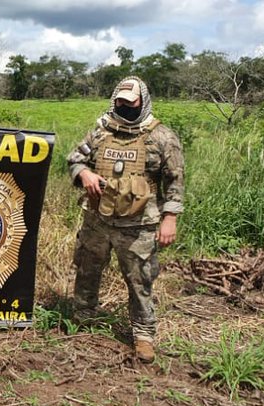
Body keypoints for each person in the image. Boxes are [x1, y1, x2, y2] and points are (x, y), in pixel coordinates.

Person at [66, 76, 184, 362]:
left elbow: (175, 180)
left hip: (139, 225)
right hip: (97, 218)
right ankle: (82, 320)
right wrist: (85, 174)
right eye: (120, 102)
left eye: (130, 103)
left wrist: (170, 219)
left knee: (139, 280)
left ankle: (143, 335)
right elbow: (74, 159)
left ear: (142, 101)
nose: (124, 107)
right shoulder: (101, 132)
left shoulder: (162, 137)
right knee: (87, 269)